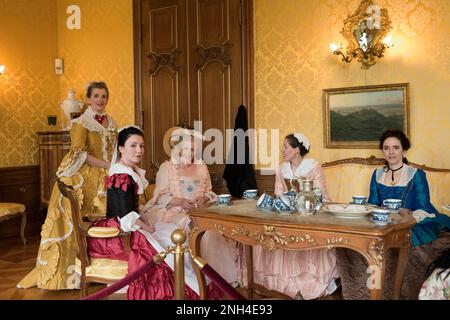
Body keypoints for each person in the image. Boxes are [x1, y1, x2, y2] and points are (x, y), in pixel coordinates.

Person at [103, 126, 236, 299]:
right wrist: (147, 227)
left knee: (177, 238)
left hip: (130, 223)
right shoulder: (122, 174)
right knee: (174, 241)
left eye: (141, 146)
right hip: (121, 231)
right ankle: (189, 288)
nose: (139, 150)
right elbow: (126, 215)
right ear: (121, 148)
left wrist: (144, 220)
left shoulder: (128, 172)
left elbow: (130, 209)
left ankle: (198, 284)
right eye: (133, 146)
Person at [18, 81, 118, 290]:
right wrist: (109, 165)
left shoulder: (112, 122)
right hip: (88, 171)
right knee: (74, 209)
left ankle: (110, 267)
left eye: (104, 96)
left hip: (110, 169)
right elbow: (79, 154)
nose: (100, 100)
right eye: (96, 96)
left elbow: (115, 148)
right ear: (88, 99)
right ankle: (70, 270)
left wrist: (118, 166)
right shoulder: (81, 122)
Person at [336, 129, 450, 299]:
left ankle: (393, 294)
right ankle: (365, 294)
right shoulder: (377, 174)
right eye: (386, 148)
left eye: (395, 148)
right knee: (352, 246)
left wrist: (408, 216)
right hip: (384, 223)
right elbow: (373, 203)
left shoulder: (416, 175)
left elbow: (423, 207)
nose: (391, 152)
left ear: (403, 150)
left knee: (402, 251)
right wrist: (363, 210)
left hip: (413, 223)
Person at [243, 133, 338, 300]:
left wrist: (302, 202)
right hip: (285, 213)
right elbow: (278, 192)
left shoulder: (313, 166)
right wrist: (283, 204)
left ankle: (305, 284)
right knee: (265, 231)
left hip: (310, 212)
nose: (283, 150)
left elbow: (320, 195)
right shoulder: (282, 168)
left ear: (296, 150)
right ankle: (279, 285)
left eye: (286, 147)